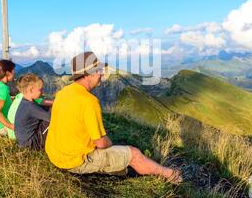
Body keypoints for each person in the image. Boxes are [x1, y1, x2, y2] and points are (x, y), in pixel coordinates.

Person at [45, 52, 182, 183]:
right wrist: (109, 143)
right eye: (97, 70)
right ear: (87, 75)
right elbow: (101, 143)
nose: (101, 74)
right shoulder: (89, 101)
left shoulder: (63, 93)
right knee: (133, 153)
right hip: (74, 161)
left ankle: (125, 170)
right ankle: (171, 175)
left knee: (116, 151)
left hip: (55, 155)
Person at [7, 75, 53, 140]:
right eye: (40, 89)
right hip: (31, 143)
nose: (42, 92)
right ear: (31, 90)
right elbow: (51, 118)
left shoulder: (24, 101)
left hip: (23, 140)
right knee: (52, 122)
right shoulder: (31, 107)